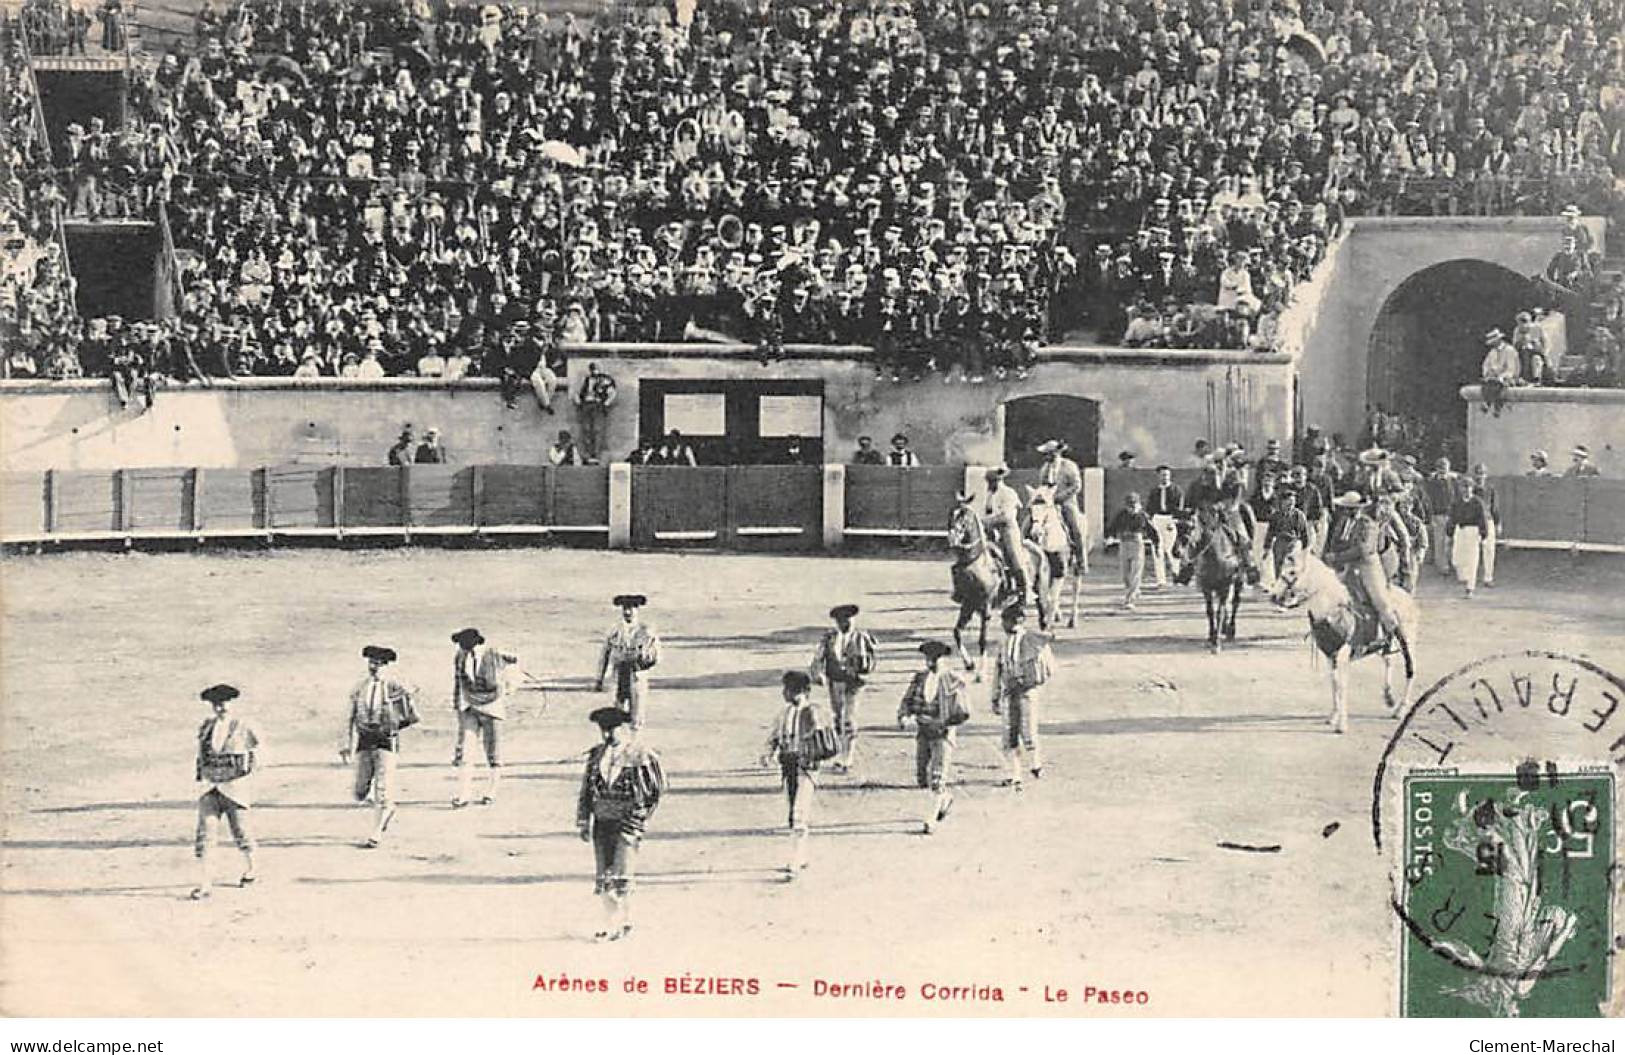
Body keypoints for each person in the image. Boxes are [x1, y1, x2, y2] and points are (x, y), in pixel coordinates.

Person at [576, 706, 665, 942]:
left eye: (612, 729)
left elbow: (655, 790)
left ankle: (620, 923)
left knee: (621, 875)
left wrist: (639, 818)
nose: (608, 735)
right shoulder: (597, 754)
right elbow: (586, 789)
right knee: (604, 875)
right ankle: (615, 923)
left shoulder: (641, 755)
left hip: (627, 822)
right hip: (602, 822)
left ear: (624, 728)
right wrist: (584, 820)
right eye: (604, 730)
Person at [760, 670, 838, 878]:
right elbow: (774, 737)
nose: (785, 693)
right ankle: (801, 855)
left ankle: (795, 858)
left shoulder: (816, 713)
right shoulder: (783, 714)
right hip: (788, 767)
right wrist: (767, 754)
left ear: (801, 691)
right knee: (792, 810)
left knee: (799, 814)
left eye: (789, 689)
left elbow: (827, 741)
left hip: (806, 768)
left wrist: (815, 751)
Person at [340, 645, 419, 849]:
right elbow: (348, 717)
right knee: (359, 791)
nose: (374, 667)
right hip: (364, 740)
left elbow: (411, 714)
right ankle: (386, 809)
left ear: (387, 666)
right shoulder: (359, 687)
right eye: (371, 663)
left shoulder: (395, 686)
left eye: (379, 664)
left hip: (387, 740)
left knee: (383, 789)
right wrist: (345, 745)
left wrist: (395, 722)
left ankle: (376, 830)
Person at [191, 683, 260, 900]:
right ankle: (205, 883)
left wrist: (249, 775)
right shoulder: (206, 726)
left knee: (241, 832)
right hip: (210, 787)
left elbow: (260, 752)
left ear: (233, 703)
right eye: (216, 704)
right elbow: (201, 755)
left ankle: (252, 869)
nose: (220, 708)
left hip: (235, 788)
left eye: (224, 703)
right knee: (205, 834)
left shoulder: (244, 726)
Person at [896, 641, 970, 834]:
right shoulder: (920, 678)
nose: (932, 662)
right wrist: (904, 715)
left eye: (936, 658)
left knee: (937, 777)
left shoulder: (954, 680)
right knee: (922, 776)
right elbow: (908, 700)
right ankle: (944, 799)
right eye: (929, 658)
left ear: (943, 659)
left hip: (943, 734)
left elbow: (963, 711)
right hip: (923, 731)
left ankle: (931, 818)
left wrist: (944, 723)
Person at [449, 627, 518, 808]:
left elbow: (515, 662)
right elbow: (458, 681)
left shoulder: (494, 653)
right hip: (469, 706)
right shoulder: (460, 657)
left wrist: (511, 686)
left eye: (464, 645)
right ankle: (464, 793)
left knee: (493, 751)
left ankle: (491, 790)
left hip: (492, 707)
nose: (462, 648)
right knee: (466, 750)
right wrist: (458, 706)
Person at [990, 604, 1053, 789]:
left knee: (1028, 730)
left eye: (1006, 620)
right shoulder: (1004, 642)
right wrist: (995, 695)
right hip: (1009, 693)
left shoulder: (1031, 640)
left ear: (1017, 621)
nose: (1003, 624)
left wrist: (1031, 680)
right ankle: (1015, 774)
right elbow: (998, 670)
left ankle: (1035, 764)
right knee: (1010, 733)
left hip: (1027, 691)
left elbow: (1045, 668)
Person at [808, 603, 876, 772]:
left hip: (854, 683)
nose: (845, 623)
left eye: (848, 619)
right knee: (838, 717)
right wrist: (818, 674)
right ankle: (840, 753)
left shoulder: (862, 637)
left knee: (849, 719)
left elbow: (872, 661)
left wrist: (864, 673)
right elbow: (818, 657)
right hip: (835, 682)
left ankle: (847, 757)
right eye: (841, 620)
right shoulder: (829, 638)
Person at [1323, 492, 1401, 638]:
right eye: (1345, 508)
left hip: (1367, 565)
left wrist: (1337, 557)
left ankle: (1395, 633)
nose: (1347, 511)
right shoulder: (1342, 522)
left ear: (1358, 509)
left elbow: (1362, 549)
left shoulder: (1367, 524)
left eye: (1350, 508)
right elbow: (1334, 541)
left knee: (1380, 601)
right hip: (1347, 565)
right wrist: (1330, 556)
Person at [595, 594, 660, 729]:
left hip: (636, 675)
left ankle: (635, 743)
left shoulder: (646, 631)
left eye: (631, 608)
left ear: (637, 610)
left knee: (637, 714)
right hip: (619, 674)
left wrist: (644, 662)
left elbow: (656, 656)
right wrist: (599, 679)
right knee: (616, 714)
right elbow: (604, 656)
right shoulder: (614, 631)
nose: (627, 612)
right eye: (625, 608)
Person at [1037, 439, 1087, 571]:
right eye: (1046, 454)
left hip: (1066, 502)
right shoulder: (1044, 469)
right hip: (1048, 504)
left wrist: (1060, 497)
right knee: (1031, 522)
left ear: (1056, 453)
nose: (1047, 457)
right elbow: (1042, 486)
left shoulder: (1069, 466)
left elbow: (1076, 485)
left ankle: (1081, 560)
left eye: (1049, 454)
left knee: (1075, 527)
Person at [981, 465, 1027, 599]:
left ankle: (1025, 588)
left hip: (1007, 529)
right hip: (991, 530)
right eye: (988, 481)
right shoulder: (990, 495)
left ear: (999, 480)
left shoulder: (1008, 493)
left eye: (992, 481)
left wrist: (986, 521)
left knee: (1015, 558)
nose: (989, 484)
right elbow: (987, 512)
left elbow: (1007, 516)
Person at [1107, 491, 1156, 610]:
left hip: (1137, 545)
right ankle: (1133, 589)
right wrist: (1110, 537)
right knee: (1125, 573)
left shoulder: (1143, 516)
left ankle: (1129, 599)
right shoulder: (1121, 514)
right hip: (1124, 544)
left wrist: (1157, 544)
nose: (1132, 508)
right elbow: (1112, 527)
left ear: (1138, 505)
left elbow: (1152, 531)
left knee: (1135, 573)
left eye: (1134, 505)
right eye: (1130, 505)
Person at [1447, 479, 1493, 597]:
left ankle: (1470, 587)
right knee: (1456, 559)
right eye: (1463, 487)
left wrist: (1483, 534)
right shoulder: (1456, 503)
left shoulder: (1477, 502)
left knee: (1472, 559)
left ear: (1472, 489)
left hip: (1473, 531)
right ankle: (1464, 576)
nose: (1466, 490)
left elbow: (1482, 519)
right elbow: (1452, 518)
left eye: (1468, 487)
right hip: (1460, 530)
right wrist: (1450, 533)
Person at [1144, 465, 1185, 587]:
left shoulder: (1176, 490)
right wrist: (1150, 520)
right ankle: (1161, 580)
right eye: (1162, 475)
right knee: (1157, 550)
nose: (1165, 477)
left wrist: (1176, 519)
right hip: (1157, 519)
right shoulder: (1154, 491)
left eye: (1167, 475)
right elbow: (1149, 508)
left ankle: (1176, 575)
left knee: (1171, 549)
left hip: (1170, 519)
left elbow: (1180, 507)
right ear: (1158, 476)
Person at [574, 362, 617, 463]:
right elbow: (578, 393)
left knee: (597, 430)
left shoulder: (605, 380)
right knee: (586, 429)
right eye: (592, 369)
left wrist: (606, 404)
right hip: (586, 405)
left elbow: (612, 393)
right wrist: (579, 402)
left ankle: (596, 455)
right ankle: (588, 454)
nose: (594, 371)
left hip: (598, 405)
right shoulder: (586, 379)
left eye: (595, 369)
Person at [1423, 457, 1459, 576]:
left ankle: (1453, 563)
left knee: (1452, 540)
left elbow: (1457, 497)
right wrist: (1431, 515)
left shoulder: (1454, 481)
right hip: (1438, 514)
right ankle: (1442, 566)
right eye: (1441, 468)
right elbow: (1428, 499)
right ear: (1437, 469)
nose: (1443, 471)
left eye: (1445, 468)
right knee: (1440, 541)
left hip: (1452, 514)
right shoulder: (1432, 482)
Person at [1469, 464, 1502, 588]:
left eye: (1482, 473)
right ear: (1474, 475)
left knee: (1489, 550)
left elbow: (1495, 507)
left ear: (1486, 475)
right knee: (1472, 550)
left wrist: (1497, 522)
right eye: (1478, 473)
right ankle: (1470, 576)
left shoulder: (1490, 489)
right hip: (1473, 522)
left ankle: (1488, 577)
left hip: (1488, 521)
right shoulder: (1470, 489)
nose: (1480, 476)